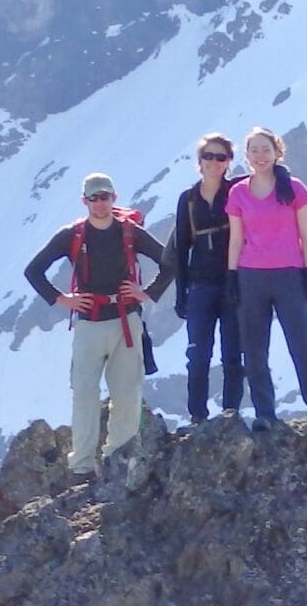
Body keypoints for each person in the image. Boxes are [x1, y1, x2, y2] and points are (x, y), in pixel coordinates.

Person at [24, 173, 172, 473]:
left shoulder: (130, 232)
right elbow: (33, 270)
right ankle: (82, 466)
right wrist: (62, 299)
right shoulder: (72, 235)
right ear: (85, 201)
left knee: (128, 394)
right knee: (84, 394)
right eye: (94, 198)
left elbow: (171, 261)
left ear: (113, 198)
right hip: (89, 323)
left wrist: (147, 293)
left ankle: (119, 460)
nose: (100, 203)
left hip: (125, 319)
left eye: (104, 196)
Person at [225, 127, 307, 430]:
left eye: (265, 149)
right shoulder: (238, 193)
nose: (260, 156)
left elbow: (306, 236)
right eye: (254, 150)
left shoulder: (295, 188)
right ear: (246, 156)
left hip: (288, 275)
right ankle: (265, 413)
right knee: (255, 348)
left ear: (276, 152)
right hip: (251, 276)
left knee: (302, 343)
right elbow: (236, 239)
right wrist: (232, 275)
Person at [167, 133, 245, 425]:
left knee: (232, 354)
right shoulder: (187, 199)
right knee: (198, 354)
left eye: (220, 157)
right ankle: (197, 415)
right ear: (199, 161)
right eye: (208, 156)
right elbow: (181, 247)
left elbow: (270, 172)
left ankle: (230, 416)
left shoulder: (238, 189)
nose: (214, 162)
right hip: (200, 285)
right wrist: (180, 293)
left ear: (229, 162)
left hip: (233, 283)